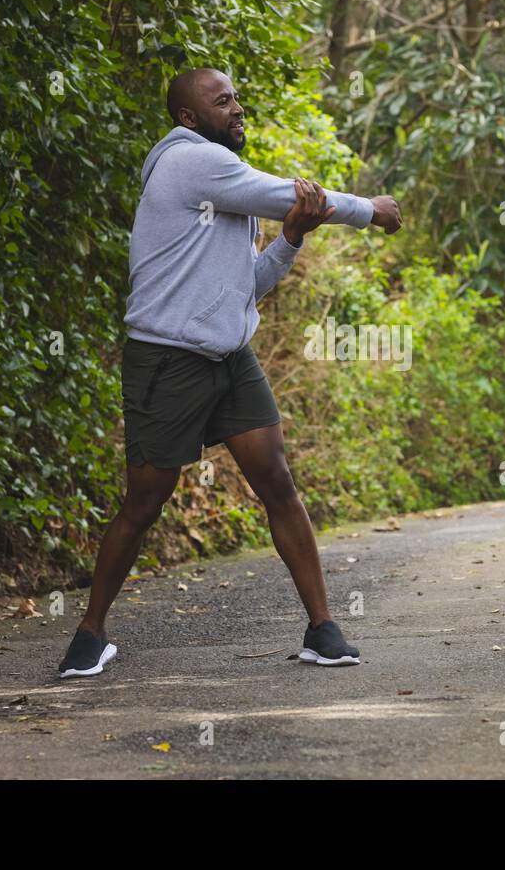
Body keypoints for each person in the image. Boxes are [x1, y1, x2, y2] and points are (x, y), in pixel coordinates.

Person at [58, 68, 402, 678]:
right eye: (223, 101)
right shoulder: (191, 162)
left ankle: (323, 629)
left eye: (237, 96)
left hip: (229, 357)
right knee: (144, 501)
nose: (237, 108)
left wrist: (291, 238)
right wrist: (370, 210)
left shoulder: (221, 190)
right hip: (166, 358)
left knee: (277, 480)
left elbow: (252, 285)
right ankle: (89, 634)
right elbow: (286, 194)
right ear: (188, 118)